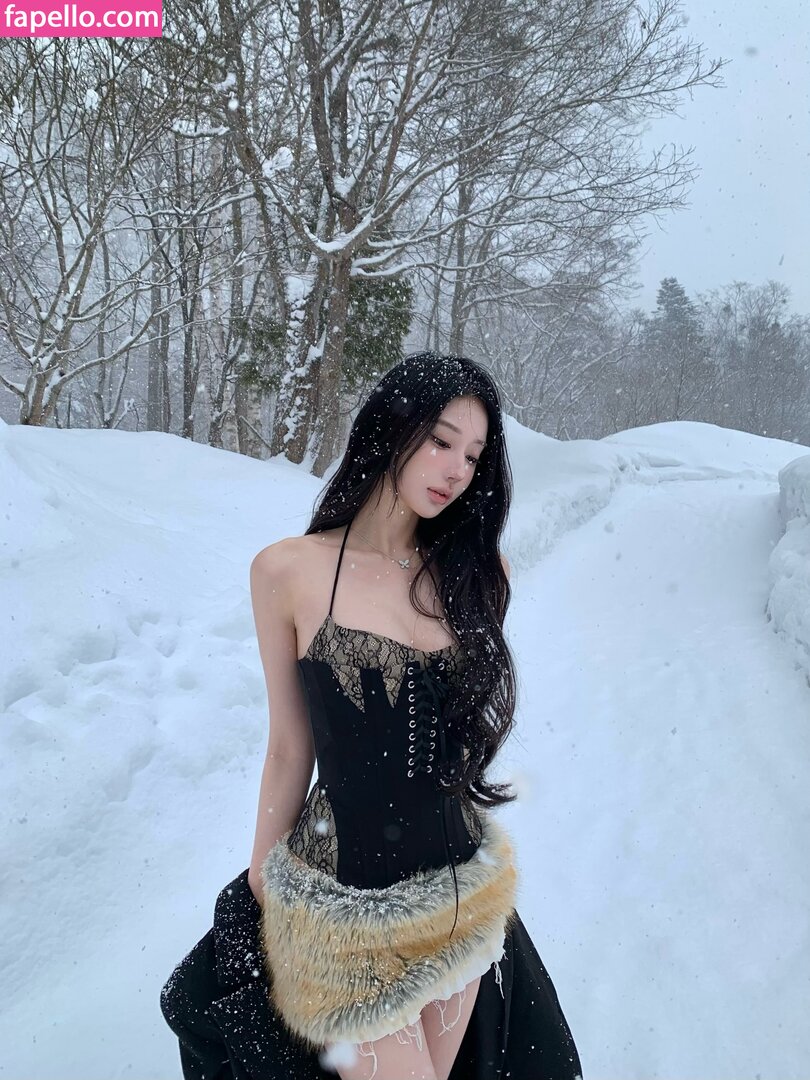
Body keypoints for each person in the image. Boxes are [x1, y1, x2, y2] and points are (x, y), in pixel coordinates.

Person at [160, 352, 583, 1080]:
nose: (457, 470)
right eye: (441, 441)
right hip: (340, 909)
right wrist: (263, 882)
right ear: (393, 428)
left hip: (459, 893)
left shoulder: (481, 573)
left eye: (474, 456)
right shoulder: (287, 570)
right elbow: (289, 746)